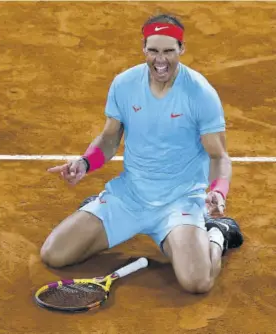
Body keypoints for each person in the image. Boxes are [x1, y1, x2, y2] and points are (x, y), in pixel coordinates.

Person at [41, 14, 243, 294]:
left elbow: (219, 157)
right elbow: (110, 138)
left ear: (181, 49)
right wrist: (86, 162)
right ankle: (99, 211)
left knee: (198, 282)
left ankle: (216, 232)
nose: (161, 60)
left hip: (179, 202)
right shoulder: (124, 84)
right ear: (144, 48)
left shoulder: (200, 94)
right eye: (154, 50)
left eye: (169, 51)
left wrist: (218, 192)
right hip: (129, 196)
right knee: (54, 254)